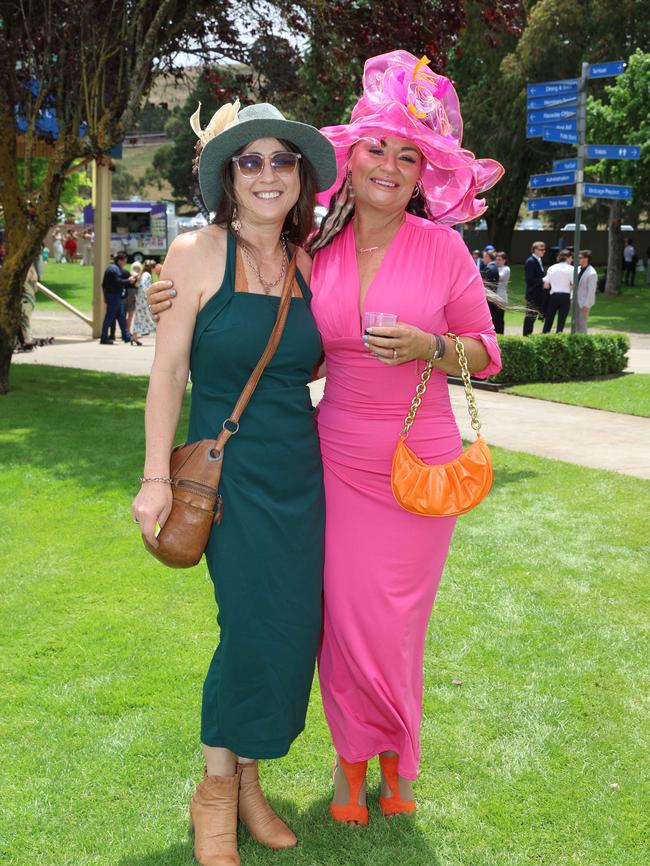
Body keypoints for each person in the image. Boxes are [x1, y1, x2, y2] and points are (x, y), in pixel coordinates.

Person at [150, 51, 502, 826]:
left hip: (400, 458)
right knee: (308, 620)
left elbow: (484, 349)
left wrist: (431, 349)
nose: (389, 164)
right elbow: (212, 349)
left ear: (421, 177)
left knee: (360, 620)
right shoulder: (306, 253)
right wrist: (164, 296)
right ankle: (302, 774)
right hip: (317, 458)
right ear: (350, 158)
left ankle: (372, 760)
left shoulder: (394, 253)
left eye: (409, 155)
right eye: (378, 147)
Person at [132, 101, 338, 866]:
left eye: (281, 160)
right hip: (228, 479)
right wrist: (156, 477)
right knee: (249, 627)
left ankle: (249, 779)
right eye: (249, 161)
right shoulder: (193, 253)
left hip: (300, 473)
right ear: (227, 176)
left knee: (289, 634)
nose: (266, 174)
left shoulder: (312, 263)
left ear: (300, 176)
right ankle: (216, 793)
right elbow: (167, 372)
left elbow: (316, 360)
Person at [100, 253, 134, 344]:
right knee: (109, 316)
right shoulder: (114, 270)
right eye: (124, 261)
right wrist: (129, 280)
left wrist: (105, 296)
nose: (125, 263)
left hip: (114, 296)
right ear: (119, 260)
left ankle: (126, 337)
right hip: (114, 296)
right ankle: (104, 338)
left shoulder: (112, 268)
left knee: (121, 316)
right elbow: (118, 282)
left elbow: (103, 285)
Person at [542, 249, 573, 333]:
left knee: (549, 319)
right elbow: (574, 284)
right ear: (567, 258)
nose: (572, 260)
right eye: (571, 258)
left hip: (554, 296)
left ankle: (544, 335)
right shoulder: (572, 269)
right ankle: (559, 337)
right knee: (561, 321)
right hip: (565, 296)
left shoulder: (552, 268)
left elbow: (546, 285)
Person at [523, 240, 546, 336]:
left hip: (538, 294)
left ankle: (529, 335)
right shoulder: (531, 261)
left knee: (533, 317)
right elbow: (529, 280)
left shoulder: (538, 260)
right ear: (535, 250)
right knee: (530, 317)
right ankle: (526, 336)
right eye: (541, 249)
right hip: (533, 294)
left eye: (544, 249)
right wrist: (544, 280)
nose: (543, 251)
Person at [131, 259, 157, 344]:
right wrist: (148, 298)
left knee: (138, 318)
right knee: (151, 317)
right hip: (144, 300)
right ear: (152, 268)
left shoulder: (143, 274)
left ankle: (134, 336)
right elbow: (144, 287)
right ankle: (158, 334)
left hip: (140, 299)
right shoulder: (147, 275)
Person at [482, 248, 503, 333]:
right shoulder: (494, 267)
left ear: (487, 257)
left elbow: (485, 285)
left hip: (489, 298)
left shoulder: (489, 268)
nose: (483, 259)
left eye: (484, 257)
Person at [576, 250, 597, 333]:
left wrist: (587, 305)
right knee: (576, 323)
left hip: (584, 303)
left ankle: (583, 342)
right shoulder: (577, 269)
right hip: (576, 301)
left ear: (586, 259)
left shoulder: (592, 273)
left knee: (582, 324)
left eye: (580, 257)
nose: (578, 259)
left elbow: (591, 291)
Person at [125, 260, 140, 335]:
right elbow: (137, 285)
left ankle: (126, 331)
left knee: (126, 315)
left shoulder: (129, 274)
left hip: (126, 295)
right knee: (130, 315)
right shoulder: (137, 276)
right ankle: (127, 331)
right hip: (133, 295)